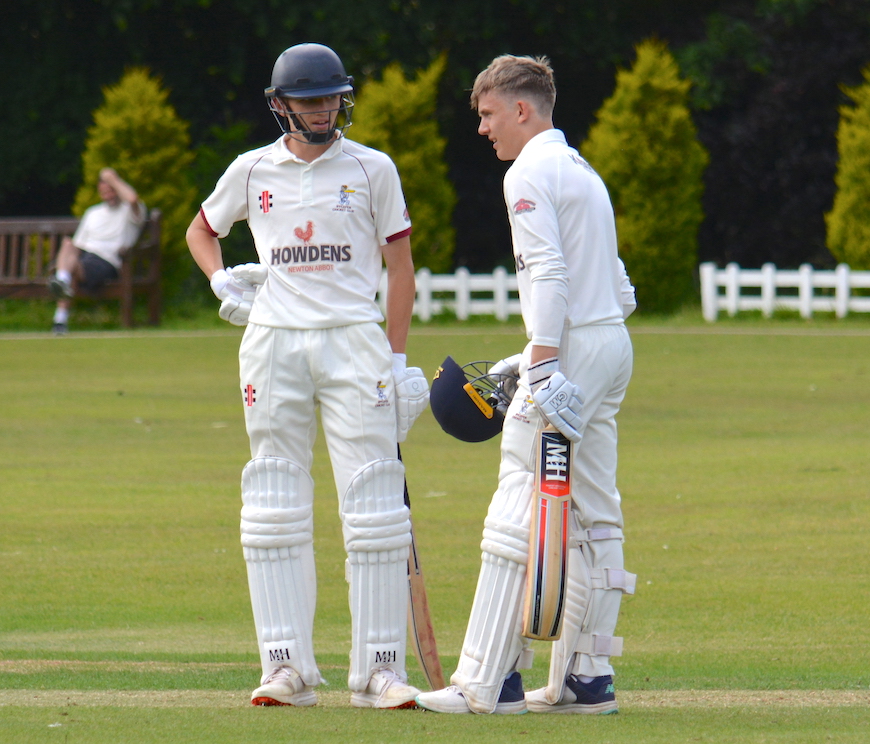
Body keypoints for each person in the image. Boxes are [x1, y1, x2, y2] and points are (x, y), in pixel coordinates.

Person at [184, 42, 430, 709]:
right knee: (274, 500)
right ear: (280, 104)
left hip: (355, 341)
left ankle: (379, 670)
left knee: (376, 503)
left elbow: (400, 270)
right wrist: (220, 281)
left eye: (331, 98)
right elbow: (200, 230)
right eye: (310, 100)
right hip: (273, 344)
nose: (323, 110)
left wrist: (398, 359)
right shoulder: (251, 169)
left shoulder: (373, 169)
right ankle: (285, 668)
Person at [416, 54, 637, 715]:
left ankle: (487, 683)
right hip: (609, 345)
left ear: (521, 109)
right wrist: (545, 352)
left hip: (569, 350)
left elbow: (546, 273)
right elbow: (617, 286)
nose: (482, 129)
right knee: (594, 509)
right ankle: (586, 678)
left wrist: (542, 363)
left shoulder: (527, 174)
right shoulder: (581, 169)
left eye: (486, 115)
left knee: (520, 486)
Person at [48, 168, 146, 334]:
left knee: (69, 270)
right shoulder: (92, 212)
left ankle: (60, 317)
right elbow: (78, 246)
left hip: (108, 262)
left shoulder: (130, 211)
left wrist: (111, 178)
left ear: (118, 188)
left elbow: (132, 198)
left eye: (112, 188)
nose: (108, 192)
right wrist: (66, 261)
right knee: (67, 244)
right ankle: (62, 282)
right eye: (104, 188)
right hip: (85, 259)